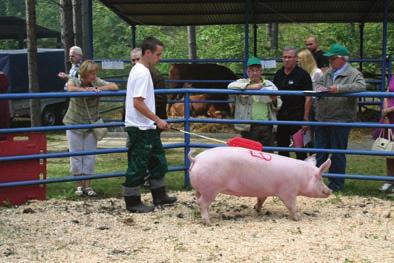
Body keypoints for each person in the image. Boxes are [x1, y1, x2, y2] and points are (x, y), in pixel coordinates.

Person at [123, 36, 176, 213]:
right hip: (140, 127)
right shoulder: (142, 73)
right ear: (148, 53)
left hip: (148, 126)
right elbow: (137, 103)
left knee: (157, 160)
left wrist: (154, 122)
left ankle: (159, 195)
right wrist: (158, 120)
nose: (159, 58)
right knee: (138, 165)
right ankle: (132, 201)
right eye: (158, 54)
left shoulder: (142, 71)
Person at [63, 60, 118, 196]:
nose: (94, 76)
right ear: (84, 73)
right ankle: (78, 186)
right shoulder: (75, 81)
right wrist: (85, 90)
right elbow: (70, 88)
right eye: (91, 73)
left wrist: (99, 89)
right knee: (76, 155)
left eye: (95, 73)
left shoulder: (97, 82)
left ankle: (87, 186)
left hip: (91, 125)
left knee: (89, 156)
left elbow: (115, 86)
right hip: (74, 123)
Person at [315, 43, 366, 191]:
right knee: (321, 151)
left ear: (341, 59)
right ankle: (317, 182)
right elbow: (319, 83)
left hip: (341, 118)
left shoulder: (353, 73)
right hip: (323, 117)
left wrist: (339, 89)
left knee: (337, 153)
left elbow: (361, 86)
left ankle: (336, 184)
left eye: (332, 58)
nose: (329, 60)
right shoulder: (329, 72)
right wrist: (319, 88)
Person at [228, 56, 282, 147]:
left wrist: (274, 99)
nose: (255, 73)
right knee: (249, 154)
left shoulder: (269, 84)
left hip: (267, 125)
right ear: (248, 72)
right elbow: (230, 86)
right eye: (252, 70)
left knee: (268, 153)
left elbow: (279, 104)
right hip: (248, 126)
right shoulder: (242, 82)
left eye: (257, 70)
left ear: (261, 71)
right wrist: (249, 87)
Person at [273, 47, 313, 159]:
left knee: (300, 149)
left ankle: (303, 174)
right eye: (285, 57)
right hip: (281, 117)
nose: (287, 60)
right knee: (282, 148)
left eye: (289, 57)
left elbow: (308, 97)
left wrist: (305, 119)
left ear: (296, 59)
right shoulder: (278, 74)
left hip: (297, 117)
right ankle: (284, 174)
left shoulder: (303, 75)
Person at [297, 48, 324, 148]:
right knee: (304, 130)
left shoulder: (317, 73)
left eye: (299, 58)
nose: (297, 60)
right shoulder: (301, 72)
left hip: (314, 103)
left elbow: (319, 89)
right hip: (303, 102)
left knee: (312, 129)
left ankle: (314, 150)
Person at [376, 76, 394, 193]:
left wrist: (390, 110)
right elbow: (387, 92)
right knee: (389, 151)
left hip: (391, 112)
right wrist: (385, 112)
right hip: (389, 117)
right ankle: (389, 181)